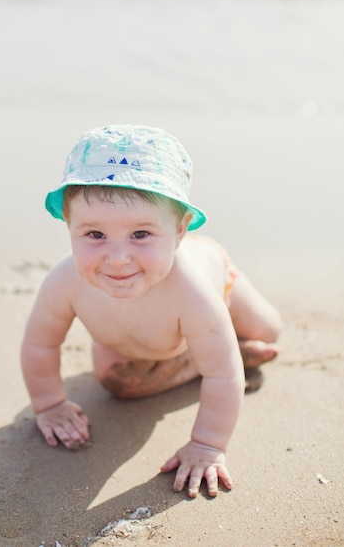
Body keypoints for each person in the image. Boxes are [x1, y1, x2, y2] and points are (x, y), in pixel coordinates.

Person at [21, 124, 282, 498]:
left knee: (267, 330)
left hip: (219, 280)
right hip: (131, 341)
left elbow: (224, 377)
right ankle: (204, 356)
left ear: (179, 232)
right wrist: (49, 404)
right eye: (95, 235)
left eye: (140, 234)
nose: (118, 258)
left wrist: (208, 445)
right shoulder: (65, 281)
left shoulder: (191, 291)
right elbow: (39, 344)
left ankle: (223, 347)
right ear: (69, 225)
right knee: (116, 382)